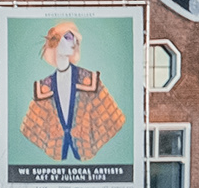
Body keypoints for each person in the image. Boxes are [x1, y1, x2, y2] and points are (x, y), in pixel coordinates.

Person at [18, 21, 126, 168]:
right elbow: (30, 129)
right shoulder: (44, 87)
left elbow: (114, 120)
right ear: (55, 41)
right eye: (68, 38)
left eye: (76, 40)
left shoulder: (89, 79)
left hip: (86, 155)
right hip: (54, 157)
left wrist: (88, 130)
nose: (74, 43)